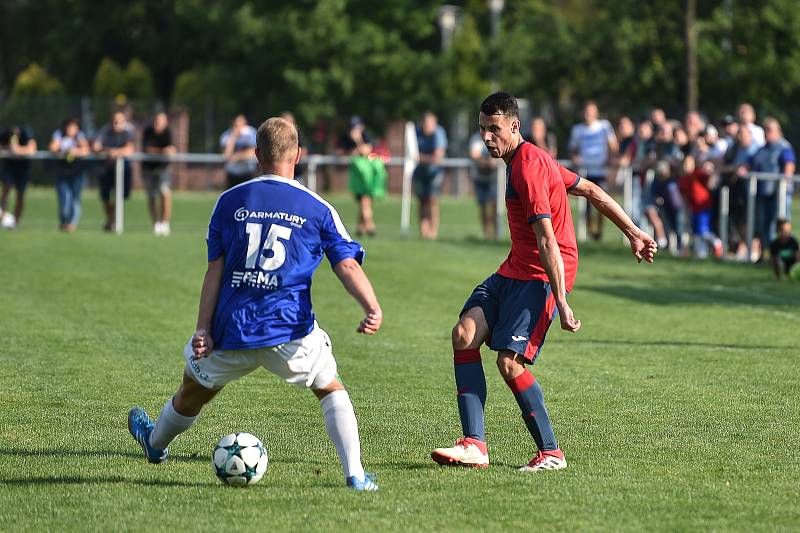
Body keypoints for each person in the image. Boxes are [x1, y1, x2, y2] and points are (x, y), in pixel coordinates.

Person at [127, 116, 382, 491]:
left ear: (256, 154)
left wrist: (202, 328)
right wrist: (371, 307)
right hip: (290, 330)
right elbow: (345, 264)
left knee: (192, 391)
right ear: (298, 154)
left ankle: (154, 444)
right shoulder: (318, 207)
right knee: (330, 389)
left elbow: (214, 270)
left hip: (233, 329)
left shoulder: (229, 202)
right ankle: (355, 476)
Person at [431, 92, 656, 472]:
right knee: (464, 334)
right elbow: (592, 191)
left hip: (541, 275)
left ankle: (551, 453)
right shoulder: (525, 157)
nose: (487, 137)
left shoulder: (528, 169)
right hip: (515, 267)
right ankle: (474, 445)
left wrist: (562, 300)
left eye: (494, 129)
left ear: (514, 126)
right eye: (482, 129)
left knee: (509, 363)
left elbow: (547, 239)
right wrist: (633, 231)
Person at [744, 117, 796, 261]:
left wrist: (785, 181)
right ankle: (767, 255)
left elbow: (789, 165)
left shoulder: (784, 147)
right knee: (763, 226)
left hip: (780, 193)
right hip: (763, 193)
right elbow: (749, 164)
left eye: (770, 130)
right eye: (765, 130)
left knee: (780, 225)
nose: (767, 133)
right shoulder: (761, 149)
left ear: (778, 131)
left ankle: (785, 256)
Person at [568, 101, 618, 240]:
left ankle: (600, 231)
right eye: (586, 112)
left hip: (601, 171)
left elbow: (613, 145)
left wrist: (611, 159)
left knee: (602, 202)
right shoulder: (577, 129)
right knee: (586, 206)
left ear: (596, 113)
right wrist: (575, 159)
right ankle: (590, 231)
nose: (588, 115)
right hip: (585, 172)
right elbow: (572, 150)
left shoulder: (604, 126)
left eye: (591, 112)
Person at [338, 116, 386, 237]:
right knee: (364, 201)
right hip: (357, 177)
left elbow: (366, 151)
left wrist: (358, 141)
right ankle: (366, 226)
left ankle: (367, 226)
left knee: (366, 201)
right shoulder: (345, 138)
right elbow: (340, 153)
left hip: (368, 175)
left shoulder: (366, 135)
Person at [93, 110, 135, 231]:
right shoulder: (105, 131)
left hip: (123, 170)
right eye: (115, 121)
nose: (117, 124)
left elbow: (130, 149)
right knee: (105, 197)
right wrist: (108, 151)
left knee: (121, 196)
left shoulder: (127, 133)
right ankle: (111, 220)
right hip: (106, 169)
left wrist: (115, 152)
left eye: (120, 122)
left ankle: (115, 220)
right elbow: (96, 146)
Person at [678, 155, 723, 258]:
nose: (686, 166)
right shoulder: (683, 179)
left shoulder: (698, 174)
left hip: (703, 207)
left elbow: (710, 181)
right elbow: (684, 196)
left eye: (689, 164)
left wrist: (712, 171)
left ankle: (716, 243)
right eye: (685, 164)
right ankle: (702, 254)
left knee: (703, 230)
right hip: (694, 208)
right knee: (696, 232)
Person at [49, 118, 90, 232]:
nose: (71, 130)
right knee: (65, 199)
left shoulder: (79, 136)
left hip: (77, 173)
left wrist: (75, 151)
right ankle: (63, 221)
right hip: (62, 173)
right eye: (69, 127)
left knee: (75, 199)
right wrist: (63, 149)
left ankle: (72, 224)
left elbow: (86, 150)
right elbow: (52, 148)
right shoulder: (59, 134)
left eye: (73, 127)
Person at [413, 111, 448, 240]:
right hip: (419, 172)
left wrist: (421, 158)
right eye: (425, 123)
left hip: (434, 172)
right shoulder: (416, 132)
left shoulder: (439, 133)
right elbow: (411, 153)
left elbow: (437, 157)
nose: (427, 126)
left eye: (430, 124)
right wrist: (425, 158)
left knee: (432, 200)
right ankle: (423, 231)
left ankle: (433, 232)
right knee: (421, 201)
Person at [142, 112, 176, 236]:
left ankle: (165, 224)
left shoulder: (168, 132)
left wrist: (166, 151)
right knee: (151, 195)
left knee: (165, 193)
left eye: (161, 121)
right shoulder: (148, 131)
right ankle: (156, 224)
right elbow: (147, 149)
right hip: (148, 168)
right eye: (156, 121)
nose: (158, 124)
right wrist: (162, 151)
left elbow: (172, 150)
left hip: (163, 168)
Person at [0, 123, 37, 230]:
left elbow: (32, 148)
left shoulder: (26, 132)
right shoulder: (4, 133)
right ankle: (3, 217)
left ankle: (16, 222)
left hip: (23, 169)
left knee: (20, 195)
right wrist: (8, 148)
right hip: (9, 167)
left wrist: (18, 150)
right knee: (6, 189)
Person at [468, 129, 498, 238]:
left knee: (495, 206)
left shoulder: (497, 136)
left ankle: (495, 234)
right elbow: (474, 155)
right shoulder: (476, 138)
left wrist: (489, 161)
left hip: (494, 178)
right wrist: (488, 162)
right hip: (480, 178)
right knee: (483, 207)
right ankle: (486, 233)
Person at [220, 114, 258, 189]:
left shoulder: (251, 133)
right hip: (232, 173)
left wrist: (237, 156)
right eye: (236, 124)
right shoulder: (226, 135)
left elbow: (254, 152)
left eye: (240, 123)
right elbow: (226, 155)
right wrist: (233, 136)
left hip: (248, 173)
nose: (238, 126)